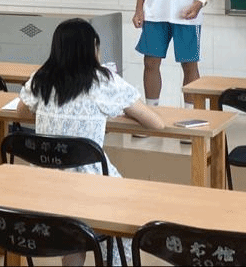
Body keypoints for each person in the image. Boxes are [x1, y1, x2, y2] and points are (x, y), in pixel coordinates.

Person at [16, 18, 164, 266]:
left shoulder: (41, 78)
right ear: (92, 48)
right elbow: (156, 124)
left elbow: (21, 112)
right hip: (90, 187)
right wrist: (120, 111)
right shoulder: (103, 81)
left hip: (44, 186)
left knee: (73, 224)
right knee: (128, 206)